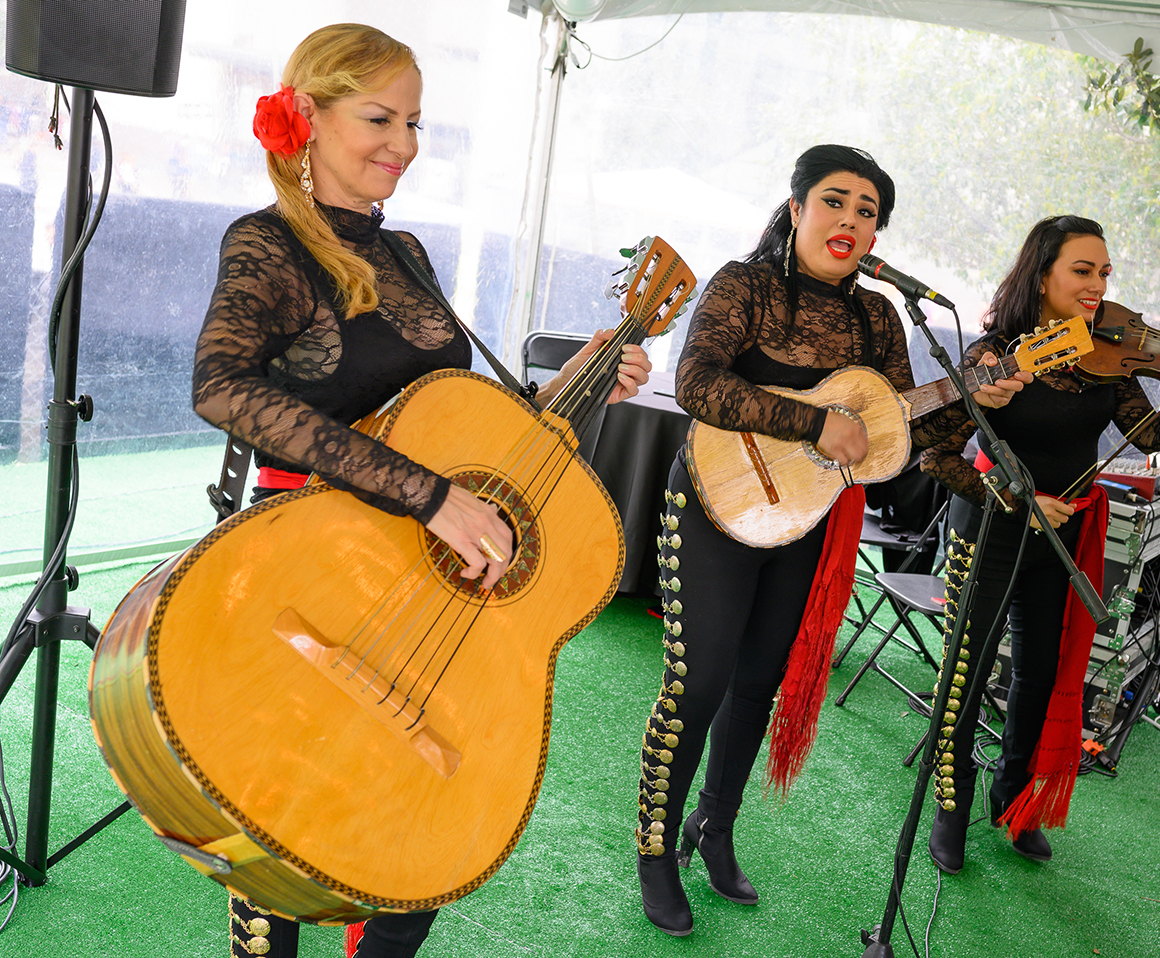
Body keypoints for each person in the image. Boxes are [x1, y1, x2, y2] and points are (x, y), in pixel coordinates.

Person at [193, 24, 651, 958]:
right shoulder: (267, 242)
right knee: (277, 817)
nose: (403, 144)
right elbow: (221, 386)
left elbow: (444, 414)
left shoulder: (406, 253)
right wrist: (428, 494)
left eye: (414, 122)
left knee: (419, 818)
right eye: (380, 117)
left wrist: (593, 370)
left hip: (424, 569)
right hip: (308, 556)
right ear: (308, 116)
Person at [633, 144, 1025, 936]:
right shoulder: (742, 285)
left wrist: (980, 396)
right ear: (797, 206)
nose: (851, 220)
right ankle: (652, 848)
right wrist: (815, 419)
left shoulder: (878, 316)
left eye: (869, 212)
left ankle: (715, 828)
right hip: (711, 500)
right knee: (699, 679)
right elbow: (697, 383)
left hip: (803, 517)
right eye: (837, 201)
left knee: (757, 683)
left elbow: (890, 438)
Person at [919, 214, 1160, 873]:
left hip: (1065, 531)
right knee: (966, 675)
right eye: (1083, 271)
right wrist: (1016, 500)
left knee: (1038, 674)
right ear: (1041, 277)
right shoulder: (993, 355)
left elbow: (1147, 436)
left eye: (1105, 274)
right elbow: (936, 455)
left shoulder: (1101, 358)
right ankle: (949, 810)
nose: (1098, 286)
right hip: (992, 524)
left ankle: (1013, 801)